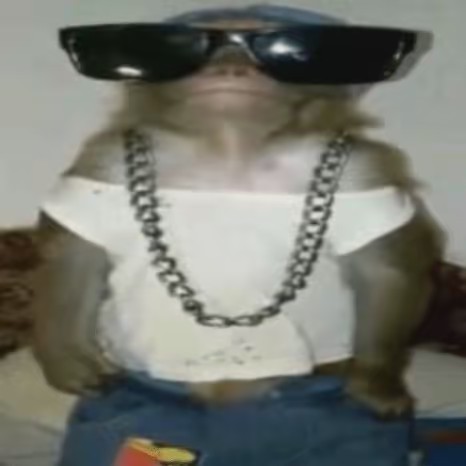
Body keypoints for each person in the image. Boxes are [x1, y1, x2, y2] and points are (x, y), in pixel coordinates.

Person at [37, 4, 434, 465]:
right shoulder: (109, 164)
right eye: (202, 51)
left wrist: (376, 368)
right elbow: (65, 260)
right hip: (145, 394)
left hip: (320, 395)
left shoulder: (354, 170)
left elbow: (394, 276)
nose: (230, 66)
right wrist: (60, 342)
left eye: (265, 52)